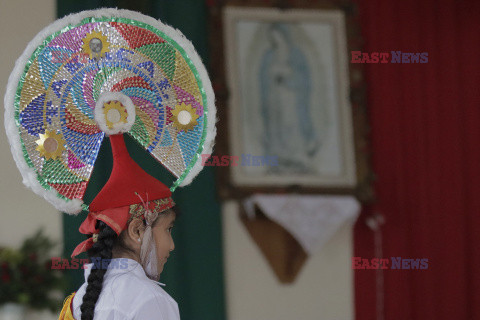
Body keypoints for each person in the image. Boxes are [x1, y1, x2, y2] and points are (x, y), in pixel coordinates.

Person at [3, 8, 216, 320]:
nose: (171, 244)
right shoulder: (149, 301)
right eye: (167, 229)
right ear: (136, 229)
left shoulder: (78, 301)